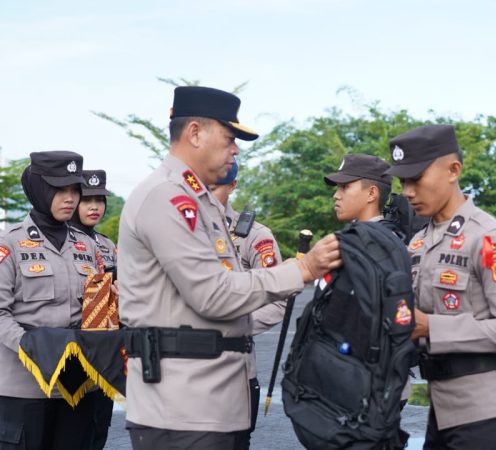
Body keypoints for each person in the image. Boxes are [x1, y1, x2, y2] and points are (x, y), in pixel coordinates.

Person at [118, 86, 341, 449]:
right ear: (194, 133)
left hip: (211, 404)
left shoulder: (199, 200)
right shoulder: (168, 198)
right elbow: (213, 294)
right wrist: (302, 269)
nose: (235, 149)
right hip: (183, 411)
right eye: (228, 137)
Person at [385, 124, 496, 450]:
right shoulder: (419, 241)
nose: (408, 191)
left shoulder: (490, 239)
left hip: (488, 412)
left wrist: (429, 326)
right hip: (442, 409)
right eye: (403, 181)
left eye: (416, 178)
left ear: (454, 170)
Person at [0, 151, 105, 449]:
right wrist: (33, 348)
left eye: (74, 190)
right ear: (39, 189)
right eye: (60, 190)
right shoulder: (9, 244)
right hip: (25, 389)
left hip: (77, 385)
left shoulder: (86, 246)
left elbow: (98, 308)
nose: (70, 198)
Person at [207, 161, 287, 449]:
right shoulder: (179, 231)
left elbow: (277, 301)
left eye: (215, 187)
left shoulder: (253, 235)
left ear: (233, 185)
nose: (206, 193)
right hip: (182, 373)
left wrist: (233, 327)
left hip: (234, 370)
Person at [68, 169, 117, 450]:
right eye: (88, 200)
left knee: (98, 429)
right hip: (73, 350)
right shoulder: (59, 242)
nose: (95, 207)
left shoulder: (107, 245)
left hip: (105, 354)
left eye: (100, 200)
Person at [324, 153, 392, 223]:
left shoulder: (377, 233)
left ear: (371, 193)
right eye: (338, 187)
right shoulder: (386, 231)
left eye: (344, 187)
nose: (336, 196)